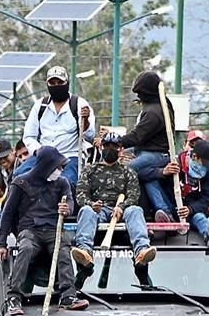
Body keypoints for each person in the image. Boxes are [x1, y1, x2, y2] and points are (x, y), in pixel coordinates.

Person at [0, 146, 88, 316]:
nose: (60, 170)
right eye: (58, 167)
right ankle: (14, 297)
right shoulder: (20, 183)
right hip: (29, 230)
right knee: (26, 249)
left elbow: (69, 201)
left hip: (53, 229)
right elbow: (7, 213)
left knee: (62, 248)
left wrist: (66, 208)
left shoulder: (62, 183)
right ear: (46, 166)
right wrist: (2, 243)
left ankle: (68, 295)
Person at [70, 132, 156, 267]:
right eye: (106, 145)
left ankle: (142, 250)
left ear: (120, 149)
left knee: (135, 210)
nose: (110, 149)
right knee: (86, 210)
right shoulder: (89, 170)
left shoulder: (128, 172)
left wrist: (122, 207)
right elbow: (81, 194)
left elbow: (134, 195)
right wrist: (92, 204)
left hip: (121, 211)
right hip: (98, 210)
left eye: (114, 146)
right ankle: (85, 251)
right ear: (101, 147)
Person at [17, 66, 95, 187]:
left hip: (69, 156)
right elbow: (29, 136)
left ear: (67, 83)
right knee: (19, 176)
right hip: (43, 157)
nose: (56, 85)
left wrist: (86, 123)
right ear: (47, 84)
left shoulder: (79, 104)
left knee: (67, 183)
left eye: (60, 82)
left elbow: (90, 136)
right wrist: (39, 151)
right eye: (52, 83)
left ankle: (67, 206)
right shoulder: (40, 106)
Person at [116, 71, 176, 220]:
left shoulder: (153, 113)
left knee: (125, 170)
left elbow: (137, 136)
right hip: (144, 150)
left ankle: (120, 206)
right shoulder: (161, 104)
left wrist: (116, 142)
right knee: (148, 177)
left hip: (156, 154)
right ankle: (164, 210)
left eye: (140, 93)